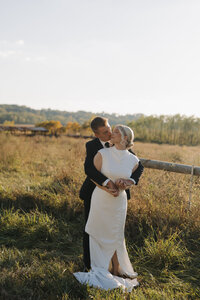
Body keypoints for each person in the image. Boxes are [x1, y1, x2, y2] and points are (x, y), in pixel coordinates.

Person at [74, 123, 142, 291]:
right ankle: (91, 265)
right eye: (106, 131)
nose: (110, 133)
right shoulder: (97, 149)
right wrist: (107, 185)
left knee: (115, 232)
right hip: (98, 195)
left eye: (113, 130)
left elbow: (137, 167)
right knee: (93, 229)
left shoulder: (131, 157)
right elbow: (90, 171)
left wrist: (129, 181)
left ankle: (117, 268)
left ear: (125, 137)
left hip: (119, 200)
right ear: (97, 133)